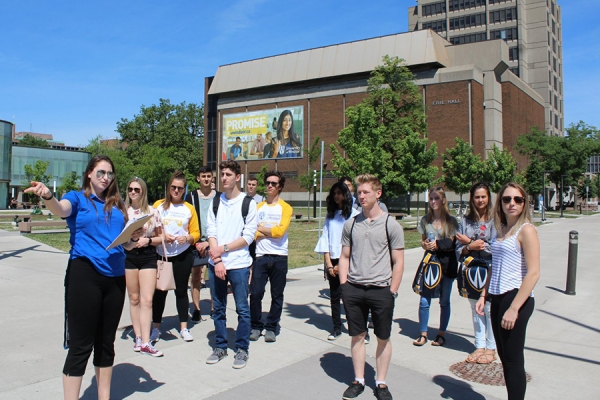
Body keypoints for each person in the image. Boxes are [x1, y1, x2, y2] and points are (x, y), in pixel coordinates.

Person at [24, 155, 142, 400]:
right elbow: (60, 209)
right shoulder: (77, 198)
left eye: (109, 174)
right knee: (81, 346)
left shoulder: (118, 204)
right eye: (100, 172)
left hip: (116, 278)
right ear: (89, 173)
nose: (105, 178)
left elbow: (126, 244)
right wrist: (48, 195)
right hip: (85, 275)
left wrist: (133, 236)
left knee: (106, 343)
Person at [338, 174, 404, 400]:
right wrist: (344, 286)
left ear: (378, 193)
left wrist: (392, 290)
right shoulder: (351, 224)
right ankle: (358, 380)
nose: (361, 195)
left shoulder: (391, 225)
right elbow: (344, 257)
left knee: (383, 337)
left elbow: (399, 261)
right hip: (354, 289)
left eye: (366, 192)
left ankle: (381, 383)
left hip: (381, 290)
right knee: (357, 336)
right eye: (359, 191)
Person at [477, 182, 540, 400]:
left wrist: (514, 308)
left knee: (513, 361)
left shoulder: (527, 230)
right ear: (500, 203)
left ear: (524, 203)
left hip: (517, 298)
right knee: (504, 357)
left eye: (517, 199)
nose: (511, 204)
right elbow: (495, 265)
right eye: (506, 199)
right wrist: (484, 295)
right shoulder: (501, 229)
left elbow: (533, 273)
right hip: (498, 297)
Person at [206, 160, 258, 369]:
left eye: (228, 174)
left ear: (238, 178)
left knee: (242, 309)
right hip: (216, 264)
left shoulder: (248, 203)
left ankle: (242, 349)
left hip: (239, 265)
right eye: (222, 174)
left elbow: (248, 237)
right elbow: (211, 232)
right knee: (218, 309)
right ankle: (220, 346)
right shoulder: (216, 202)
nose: (224, 178)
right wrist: (217, 259)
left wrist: (223, 249)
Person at [150, 171, 200, 343]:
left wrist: (187, 238)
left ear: (184, 189)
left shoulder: (189, 208)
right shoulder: (158, 205)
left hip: (182, 254)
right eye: (173, 187)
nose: (176, 191)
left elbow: (196, 233)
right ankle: (156, 328)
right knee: (159, 292)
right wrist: (162, 235)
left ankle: (184, 328)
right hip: (161, 255)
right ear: (168, 188)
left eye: (180, 188)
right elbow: (151, 227)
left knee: (181, 291)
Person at [455, 182, 496, 364]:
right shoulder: (465, 220)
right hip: (472, 271)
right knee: (475, 308)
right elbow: (458, 248)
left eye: (483, 196)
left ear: (489, 198)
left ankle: (491, 348)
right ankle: (479, 345)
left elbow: (497, 247)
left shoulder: (495, 220)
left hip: (490, 270)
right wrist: (469, 246)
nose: (480, 200)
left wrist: (472, 242)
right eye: (477, 197)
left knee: (489, 308)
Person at [249, 171, 293, 342]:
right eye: (267, 182)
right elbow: (251, 232)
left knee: (277, 295)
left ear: (279, 187)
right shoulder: (258, 207)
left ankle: (271, 327)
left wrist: (261, 230)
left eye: (273, 183)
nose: (269, 186)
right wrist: (265, 232)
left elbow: (280, 232)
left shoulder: (286, 208)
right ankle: (255, 325)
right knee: (256, 293)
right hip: (260, 256)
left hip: (280, 257)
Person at [122, 177, 164, 357]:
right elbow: (118, 238)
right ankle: (138, 337)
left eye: (137, 190)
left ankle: (146, 341)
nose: (133, 192)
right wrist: (130, 237)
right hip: (129, 255)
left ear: (143, 192)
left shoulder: (153, 212)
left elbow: (162, 237)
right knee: (134, 298)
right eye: (130, 189)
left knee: (147, 299)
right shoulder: (123, 212)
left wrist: (147, 240)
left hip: (147, 255)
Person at [413, 187, 459, 347]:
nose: (433, 201)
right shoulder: (425, 220)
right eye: (431, 198)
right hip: (430, 264)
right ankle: (423, 333)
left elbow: (452, 242)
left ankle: (441, 334)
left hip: (447, 265)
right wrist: (425, 245)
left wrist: (437, 244)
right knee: (424, 300)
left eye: (436, 198)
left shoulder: (451, 221)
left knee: (444, 301)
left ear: (443, 200)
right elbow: (423, 242)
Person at [314, 182, 358, 341]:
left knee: (349, 296)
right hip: (332, 260)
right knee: (334, 296)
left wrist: (341, 264)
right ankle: (336, 327)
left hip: (348, 260)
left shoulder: (353, 215)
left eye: (340, 193)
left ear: (346, 194)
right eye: (334, 193)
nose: (337, 196)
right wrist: (329, 264)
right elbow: (325, 238)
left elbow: (354, 241)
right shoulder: (330, 215)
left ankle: (358, 329)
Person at [185, 166, 218, 322]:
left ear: (212, 178)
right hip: (196, 243)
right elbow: (186, 220)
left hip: (214, 241)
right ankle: (197, 309)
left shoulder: (219, 197)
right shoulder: (190, 197)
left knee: (214, 277)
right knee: (196, 276)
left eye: (208, 176)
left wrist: (210, 243)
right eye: (203, 176)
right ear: (198, 178)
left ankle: (214, 307)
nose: (206, 179)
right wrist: (196, 241)